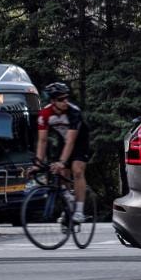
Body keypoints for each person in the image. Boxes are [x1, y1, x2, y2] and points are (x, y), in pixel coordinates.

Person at [36, 82, 90, 224]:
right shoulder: (45, 114)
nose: (65, 101)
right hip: (63, 140)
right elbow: (42, 141)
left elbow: (71, 141)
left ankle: (79, 211)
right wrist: (38, 163)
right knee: (61, 174)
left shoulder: (74, 112)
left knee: (77, 170)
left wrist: (62, 162)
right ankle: (68, 203)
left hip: (79, 140)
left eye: (66, 98)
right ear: (53, 101)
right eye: (61, 99)